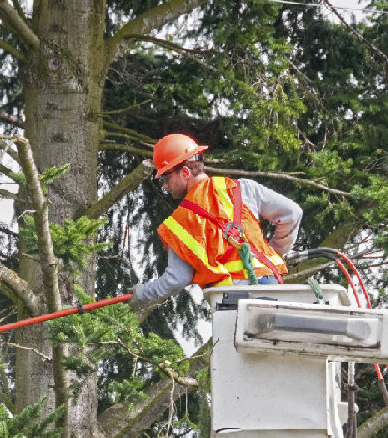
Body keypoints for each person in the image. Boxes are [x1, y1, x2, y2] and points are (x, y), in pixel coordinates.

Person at [127, 134, 302, 313]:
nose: (164, 186)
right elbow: (292, 213)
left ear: (185, 172)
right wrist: (274, 254)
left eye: (166, 178)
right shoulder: (242, 188)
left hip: (234, 298)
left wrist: (142, 294)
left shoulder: (181, 221)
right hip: (273, 286)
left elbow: (177, 278)